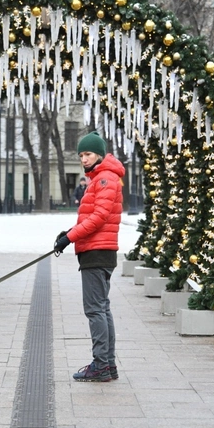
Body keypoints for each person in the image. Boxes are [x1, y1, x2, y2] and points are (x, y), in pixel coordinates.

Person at [53, 131, 125, 382]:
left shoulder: (105, 178)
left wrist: (70, 237)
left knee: (95, 310)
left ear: (100, 155)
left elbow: (98, 218)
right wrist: (71, 233)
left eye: (89, 154)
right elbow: (92, 217)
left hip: (97, 251)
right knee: (102, 309)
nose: (84, 159)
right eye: (81, 154)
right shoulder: (101, 178)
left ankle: (101, 365)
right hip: (99, 250)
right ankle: (108, 364)